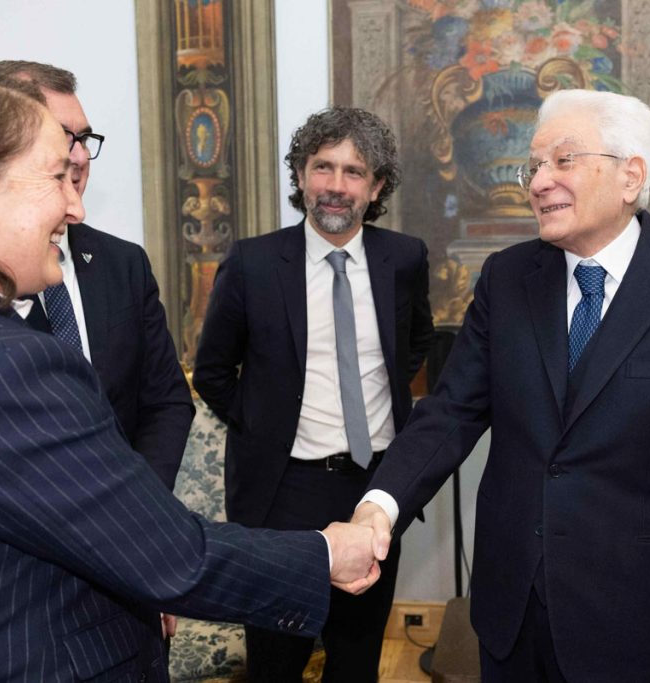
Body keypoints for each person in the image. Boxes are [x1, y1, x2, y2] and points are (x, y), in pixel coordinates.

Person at [0, 62, 379, 683]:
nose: (75, 205)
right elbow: (169, 556)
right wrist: (327, 554)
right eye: (55, 176)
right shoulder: (2, 367)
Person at [352, 89, 650, 683]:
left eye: (564, 160)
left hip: (638, 620)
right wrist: (379, 506)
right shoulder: (507, 278)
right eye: (534, 165)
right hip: (512, 615)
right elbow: (450, 412)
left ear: (631, 175)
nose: (538, 181)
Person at [193, 106, 434, 682]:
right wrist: (265, 424)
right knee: (276, 662)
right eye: (322, 166)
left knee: (357, 661)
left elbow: (416, 343)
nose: (336, 185)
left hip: (376, 490)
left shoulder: (404, 258)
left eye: (355, 171)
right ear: (300, 175)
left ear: (376, 186)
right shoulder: (253, 263)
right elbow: (213, 372)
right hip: (283, 494)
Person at [0, 60, 194, 491]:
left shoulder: (124, 263)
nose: (78, 156)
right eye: (63, 137)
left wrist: (141, 501)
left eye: (84, 139)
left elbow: (167, 400)